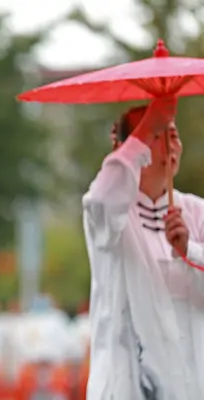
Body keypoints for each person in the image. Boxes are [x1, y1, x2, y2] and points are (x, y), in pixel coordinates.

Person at [82, 96, 204, 399]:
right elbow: (100, 200)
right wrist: (149, 125)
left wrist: (189, 250)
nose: (169, 143)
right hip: (128, 381)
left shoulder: (196, 211)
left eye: (172, 134)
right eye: (155, 135)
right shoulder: (112, 216)